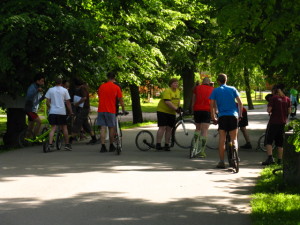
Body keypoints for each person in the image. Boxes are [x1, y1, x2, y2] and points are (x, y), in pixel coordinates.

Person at [209, 73, 243, 169]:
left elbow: (211, 106)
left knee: (222, 139)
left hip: (222, 116)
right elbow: (240, 103)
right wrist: (240, 114)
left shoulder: (215, 91)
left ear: (218, 81)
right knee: (234, 138)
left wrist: (213, 117)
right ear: (226, 80)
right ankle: (235, 155)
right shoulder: (232, 89)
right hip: (233, 116)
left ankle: (221, 162)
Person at [262, 85, 291, 165]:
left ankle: (270, 158)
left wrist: (270, 109)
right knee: (280, 142)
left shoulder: (273, 98)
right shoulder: (287, 99)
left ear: (274, 91)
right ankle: (280, 160)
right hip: (283, 123)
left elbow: (269, 110)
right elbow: (289, 111)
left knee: (269, 141)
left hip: (273, 122)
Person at [97, 72, 126, 153]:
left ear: (107, 78)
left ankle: (102, 146)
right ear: (114, 78)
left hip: (101, 110)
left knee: (103, 128)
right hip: (111, 110)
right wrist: (123, 109)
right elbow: (121, 100)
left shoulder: (101, 86)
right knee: (111, 128)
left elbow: (99, 96)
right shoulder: (116, 87)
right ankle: (111, 145)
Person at [45, 77, 73, 151]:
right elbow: (68, 102)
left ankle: (50, 144)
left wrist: (50, 107)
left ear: (54, 82)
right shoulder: (65, 90)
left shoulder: (50, 90)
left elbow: (47, 101)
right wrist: (71, 112)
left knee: (53, 128)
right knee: (64, 128)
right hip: (61, 112)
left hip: (53, 112)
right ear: (61, 83)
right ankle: (67, 144)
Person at [191, 77, 214, 157]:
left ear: (202, 82)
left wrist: (192, 108)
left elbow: (193, 99)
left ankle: (194, 144)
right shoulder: (212, 89)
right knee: (204, 131)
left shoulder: (197, 88)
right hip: (207, 110)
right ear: (209, 82)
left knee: (197, 128)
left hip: (197, 109)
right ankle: (202, 151)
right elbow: (213, 102)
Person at [69, 79, 97, 145]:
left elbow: (84, 98)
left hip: (83, 109)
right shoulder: (83, 88)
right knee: (85, 124)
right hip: (84, 108)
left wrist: (77, 103)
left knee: (77, 123)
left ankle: (70, 139)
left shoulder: (82, 88)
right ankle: (94, 138)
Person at [156, 78, 181, 151]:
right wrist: (176, 109)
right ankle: (158, 144)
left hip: (171, 112)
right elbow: (167, 102)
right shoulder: (167, 91)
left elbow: (178, 101)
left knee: (169, 129)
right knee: (162, 127)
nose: (176, 84)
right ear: (171, 84)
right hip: (162, 111)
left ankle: (167, 144)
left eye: (177, 83)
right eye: (174, 83)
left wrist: (179, 108)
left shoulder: (178, 91)